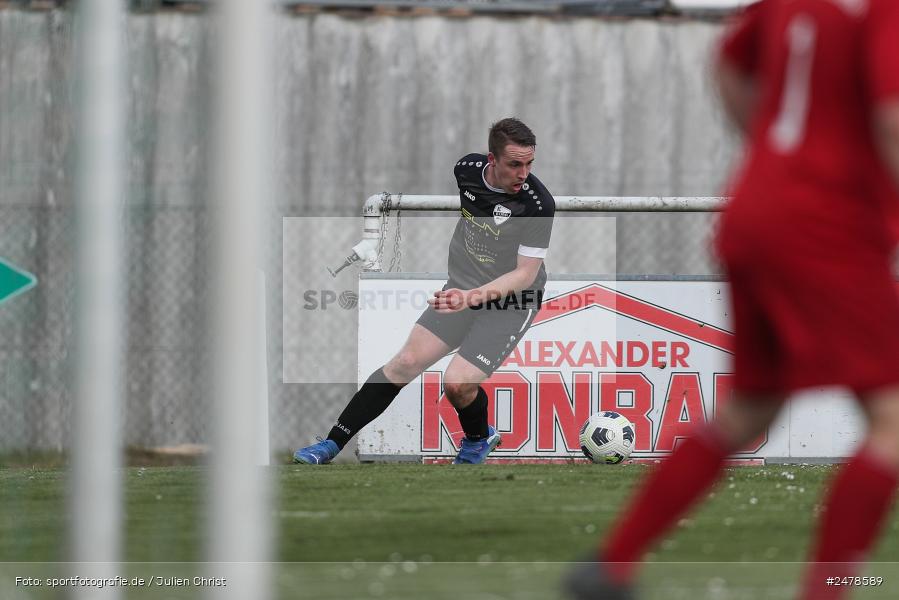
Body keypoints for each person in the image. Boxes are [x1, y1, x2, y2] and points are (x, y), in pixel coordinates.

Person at [565, 1, 899, 599]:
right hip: (829, 226)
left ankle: (610, 565)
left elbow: (726, 66)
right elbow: (892, 117)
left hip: (755, 210)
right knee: (893, 420)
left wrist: (777, 157)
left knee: (752, 407)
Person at [294, 117, 556, 465]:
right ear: (491, 160)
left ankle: (478, 439)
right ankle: (329, 445)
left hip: (511, 302)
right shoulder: (466, 169)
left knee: (458, 384)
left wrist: (471, 296)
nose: (523, 173)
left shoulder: (538, 205)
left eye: (529, 164)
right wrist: (464, 291)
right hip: (461, 290)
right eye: (514, 164)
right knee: (404, 363)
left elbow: (525, 275)